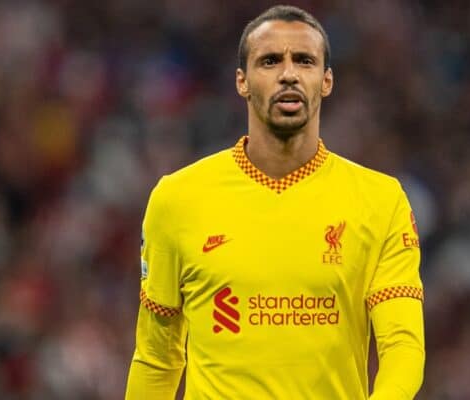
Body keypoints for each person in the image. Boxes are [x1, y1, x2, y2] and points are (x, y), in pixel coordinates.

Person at [125, 5, 425, 400]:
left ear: (326, 80)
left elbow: (402, 347)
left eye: (304, 60)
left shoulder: (380, 201)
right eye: (270, 61)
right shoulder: (177, 199)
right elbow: (156, 359)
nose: (288, 73)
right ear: (242, 82)